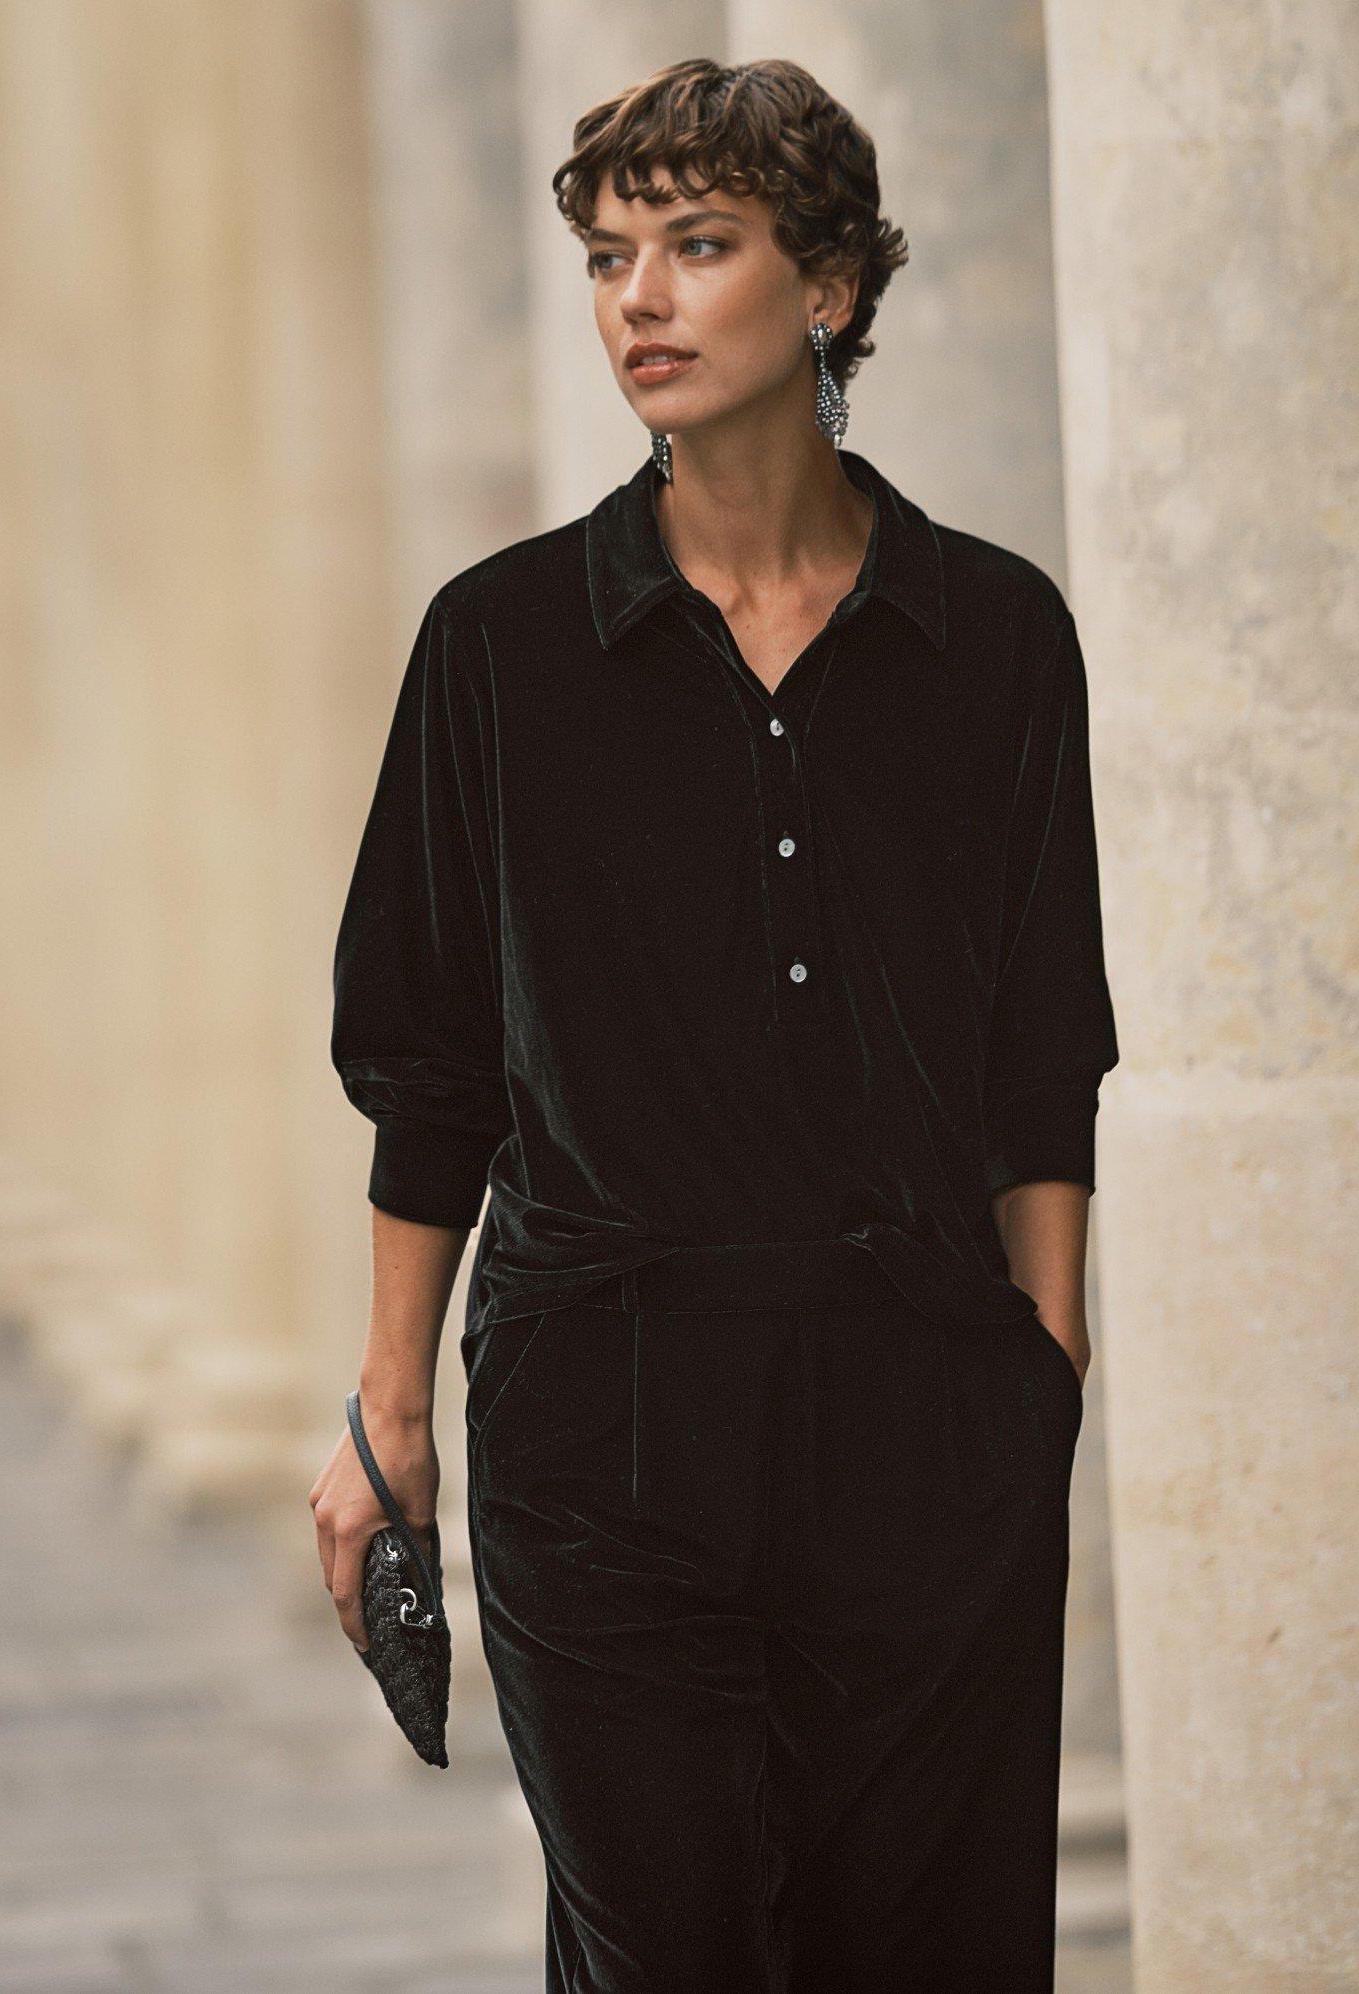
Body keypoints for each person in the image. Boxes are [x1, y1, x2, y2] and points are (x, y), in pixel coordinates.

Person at [310, 54, 1119, 1993]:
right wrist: (391, 1412)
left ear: (829, 287)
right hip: (609, 1417)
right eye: (607, 258)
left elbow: (1042, 1042)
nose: (639, 303)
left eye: (698, 246)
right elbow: (426, 1060)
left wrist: (1042, 1378)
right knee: (663, 1947)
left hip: (922, 1413)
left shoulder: (995, 636)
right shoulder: (500, 646)